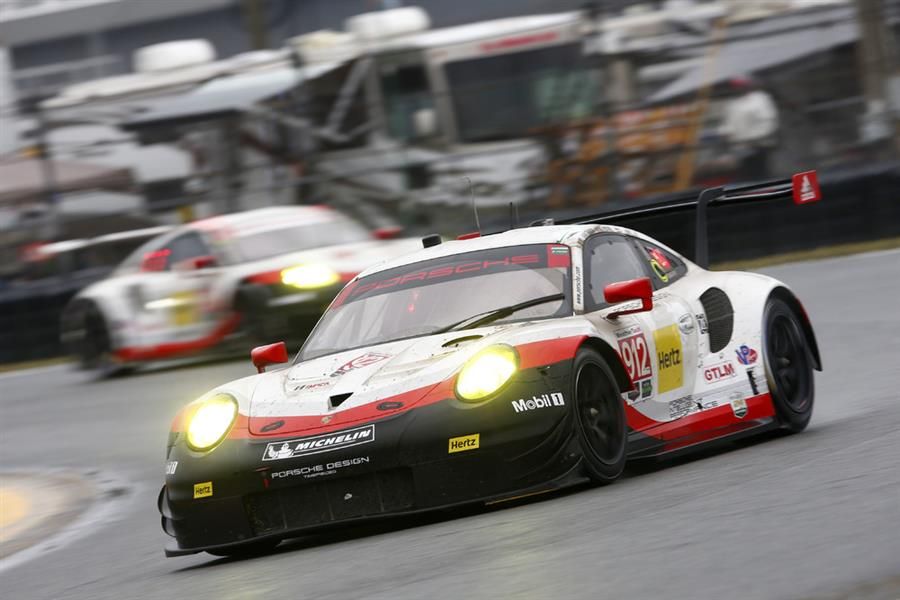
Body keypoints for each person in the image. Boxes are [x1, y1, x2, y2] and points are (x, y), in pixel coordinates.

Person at [719, 76, 779, 181]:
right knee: (746, 176)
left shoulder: (760, 99)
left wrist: (754, 138)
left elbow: (769, 122)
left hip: (759, 146)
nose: (738, 89)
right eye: (735, 87)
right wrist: (725, 133)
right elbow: (728, 124)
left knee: (761, 174)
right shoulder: (733, 104)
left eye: (740, 86)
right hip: (740, 148)